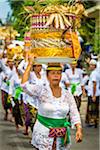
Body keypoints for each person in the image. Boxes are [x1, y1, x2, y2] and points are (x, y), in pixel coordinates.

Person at [21, 55, 82, 150]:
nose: (56, 76)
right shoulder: (41, 90)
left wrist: (79, 129)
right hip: (43, 134)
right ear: (47, 75)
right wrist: (30, 64)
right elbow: (24, 85)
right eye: (53, 73)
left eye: (58, 73)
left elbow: (74, 113)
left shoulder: (67, 94)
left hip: (61, 135)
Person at [85, 59, 100, 128]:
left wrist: (93, 95)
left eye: (91, 65)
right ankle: (95, 121)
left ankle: (93, 122)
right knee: (95, 108)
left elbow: (94, 84)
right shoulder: (96, 72)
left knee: (92, 108)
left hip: (93, 94)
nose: (90, 66)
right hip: (95, 93)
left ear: (94, 66)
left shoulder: (94, 73)